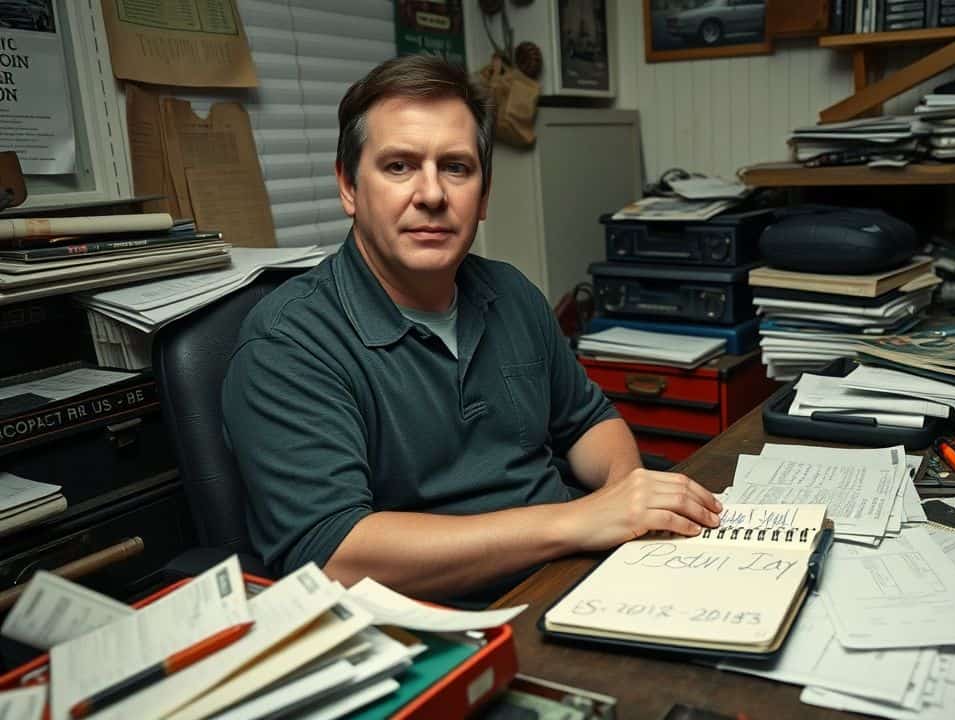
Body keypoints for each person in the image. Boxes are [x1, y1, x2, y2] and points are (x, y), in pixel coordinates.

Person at [221, 55, 721, 604]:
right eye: (399, 166)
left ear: (482, 197)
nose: (432, 194)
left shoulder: (509, 294)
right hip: (445, 625)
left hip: (580, 579)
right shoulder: (288, 343)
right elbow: (336, 554)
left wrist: (626, 500)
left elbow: (587, 422)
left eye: (456, 167)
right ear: (348, 187)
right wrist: (578, 522)